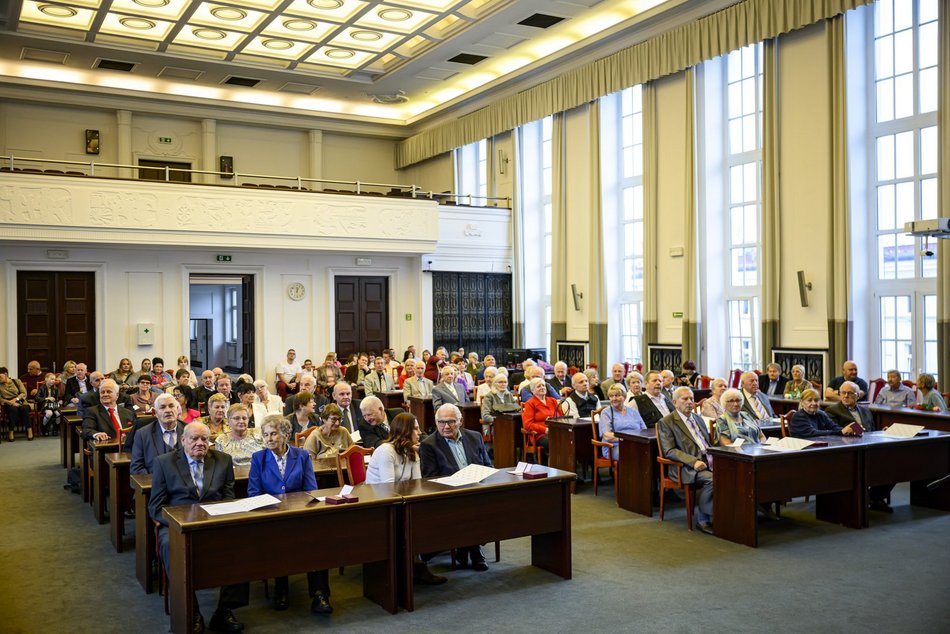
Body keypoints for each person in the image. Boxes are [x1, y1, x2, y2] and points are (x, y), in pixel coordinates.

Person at [148, 422, 248, 633]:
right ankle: (191, 611)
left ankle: (224, 610)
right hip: (178, 525)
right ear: (183, 440)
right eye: (194, 439)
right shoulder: (164, 463)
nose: (200, 443)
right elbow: (155, 507)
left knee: (241, 542)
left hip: (213, 522)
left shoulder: (223, 460)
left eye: (204, 439)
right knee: (169, 546)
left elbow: (228, 498)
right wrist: (179, 522)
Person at [247, 414, 332, 614]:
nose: (269, 439)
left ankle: (320, 594)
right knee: (279, 538)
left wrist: (298, 510)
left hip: (299, 514)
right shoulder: (258, 458)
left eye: (273, 434)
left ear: (285, 435)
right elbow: (253, 493)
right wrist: (274, 510)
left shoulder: (301, 456)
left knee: (317, 539)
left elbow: (311, 489)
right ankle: (281, 590)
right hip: (272, 517)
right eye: (265, 435)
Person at [420, 403, 493, 571]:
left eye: (451, 421)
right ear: (436, 422)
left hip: (477, 489)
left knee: (492, 505)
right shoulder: (429, 444)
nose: (446, 426)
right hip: (450, 495)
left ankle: (464, 548)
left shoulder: (475, 437)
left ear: (460, 421)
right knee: (469, 507)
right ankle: (474, 550)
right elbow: (430, 479)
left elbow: (487, 465)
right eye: (441, 422)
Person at [825, 383, 894, 512]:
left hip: (869, 447)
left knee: (892, 466)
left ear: (857, 396)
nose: (846, 396)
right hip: (849, 450)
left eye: (850, 393)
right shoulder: (832, 410)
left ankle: (874, 497)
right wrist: (852, 430)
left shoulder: (865, 411)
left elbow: (871, 430)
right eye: (843, 393)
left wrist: (881, 432)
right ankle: (868, 498)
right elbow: (834, 431)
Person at [657, 387, 714, 534]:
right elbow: (669, 451)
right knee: (713, 480)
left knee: (736, 473)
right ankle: (703, 520)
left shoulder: (698, 418)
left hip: (709, 460)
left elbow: (708, 443)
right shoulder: (667, 422)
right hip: (685, 467)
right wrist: (693, 461)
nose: (689, 402)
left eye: (691, 399)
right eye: (685, 399)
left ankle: (727, 516)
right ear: (675, 402)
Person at [131, 393, 184, 475]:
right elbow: (136, 468)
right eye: (162, 407)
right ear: (156, 413)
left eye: (171, 406)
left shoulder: (188, 430)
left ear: (177, 409)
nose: (168, 410)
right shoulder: (143, 434)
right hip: (154, 481)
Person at [598, 384, 647, 459]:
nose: (614, 399)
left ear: (624, 396)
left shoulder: (633, 411)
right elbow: (607, 435)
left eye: (617, 395)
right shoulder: (606, 412)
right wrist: (627, 439)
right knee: (632, 453)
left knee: (649, 451)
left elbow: (644, 430)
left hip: (635, 444)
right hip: (614, 447)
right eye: (611, 396)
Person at [791, 389, 861, 438]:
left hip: (819, 447)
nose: (814, 403)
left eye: (816, 400)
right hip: (803, 450)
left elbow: (834, 427)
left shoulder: (821, 414)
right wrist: (841, 432)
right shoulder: (798, 416)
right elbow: (812, 433)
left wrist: (850, 430)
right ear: (802, 402)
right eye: (809, 400)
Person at [521, 377, 559, 462]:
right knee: (555, 442)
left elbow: (561, 417)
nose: (542, 387)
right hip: (539, 435)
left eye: (543, 385)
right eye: (538, 386)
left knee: (569, 440)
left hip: (556, 431)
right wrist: (545, 430)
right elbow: (527, 424)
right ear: (532, 390)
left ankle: (563, 465)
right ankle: (552, 465)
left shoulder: (553, 400)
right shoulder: (530, 403)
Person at [0, 367, 32, 441]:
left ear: (5, 374)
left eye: (0, 376)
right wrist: (10, 402)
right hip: (8, 403)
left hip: (20, 400)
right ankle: (11, 431)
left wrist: (15, 400)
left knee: (24, 409)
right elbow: (0, 398)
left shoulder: (16, 381)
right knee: (13, 410)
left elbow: (24, 393)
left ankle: (29, 430)